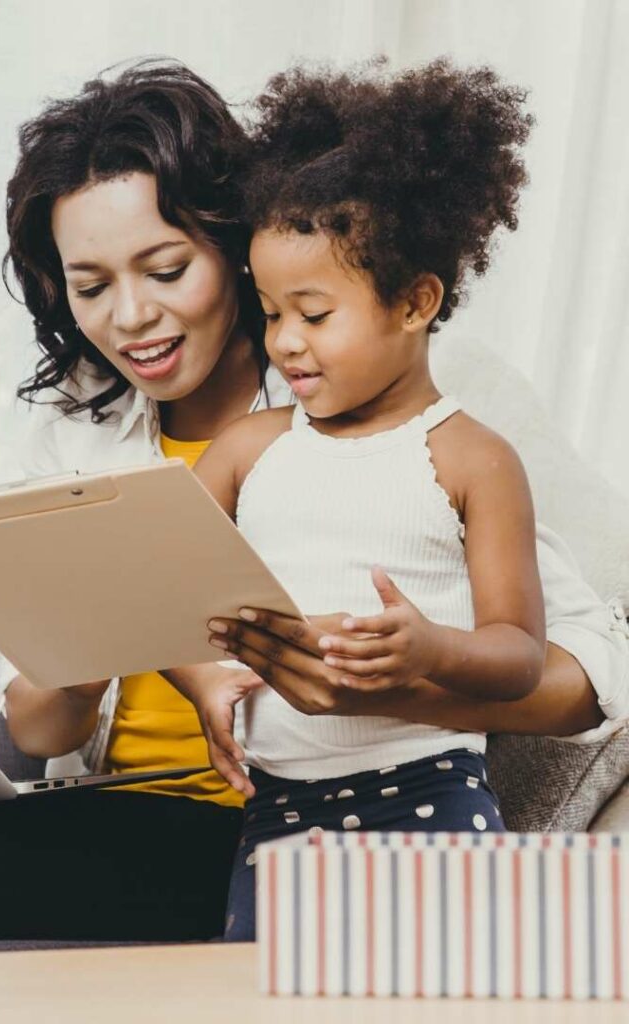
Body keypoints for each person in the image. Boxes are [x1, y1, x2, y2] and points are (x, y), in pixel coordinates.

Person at [0, 59, 624, 958]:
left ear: (240, 244)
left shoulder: (404, 408)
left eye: (165, 269)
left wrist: (387, 676)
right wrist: (79, 637)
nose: (128, 316)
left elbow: (583, 683)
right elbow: (39, 732)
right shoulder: (81, 441)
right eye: (89, 286)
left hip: (268, 823)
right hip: (108, 817)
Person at [179, 59, 552, 941]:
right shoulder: (245, 452)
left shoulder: (472, 459)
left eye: (314, 312)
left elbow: (520, 656)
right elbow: (162, 592)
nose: (286, 343)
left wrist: (431, 649)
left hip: (429, 801)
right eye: (270, 312)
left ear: (416, 301)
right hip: (275, 818)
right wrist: (200, 680)